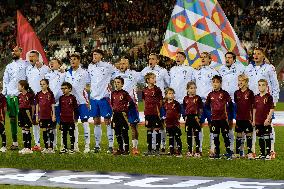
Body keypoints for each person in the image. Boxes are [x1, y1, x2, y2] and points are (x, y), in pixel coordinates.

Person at [244, 48, 279, 159]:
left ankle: (271, 150)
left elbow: (275, 85)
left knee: (268, 125)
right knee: (252, 125)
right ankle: (252, 151)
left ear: (263, 56)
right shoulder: (248, 68)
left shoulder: (269, 68)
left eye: (259, 54)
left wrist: (274, 101)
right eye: (254, 54)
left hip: (265, 102)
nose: (256, 55)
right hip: (252, 102)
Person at [88, 49, 116, 153]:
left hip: (104, 97)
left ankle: (111, 145)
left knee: (108, 121)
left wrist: (110, 83)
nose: (93, 56)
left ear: (101, 56)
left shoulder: (107, 65)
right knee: (96, 121)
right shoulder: (90, 67)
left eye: (95, 54)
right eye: (93, 54)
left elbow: (116, 74)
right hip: (94, 98)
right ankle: (97, 145)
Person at [111, 57, 141, 155]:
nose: (122, 65)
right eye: (121, 63)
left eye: (124, 63)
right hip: (119, 106)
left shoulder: (134, 74)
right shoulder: (115, 74)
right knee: (119, 128)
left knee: (133, 126)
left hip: (131, 104)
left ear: (127, 65)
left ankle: (134, 147)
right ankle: (122, 147)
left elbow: (146, 77)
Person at [141, 53, 170, 152]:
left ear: (157, 60)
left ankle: (162, 145)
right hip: (149, 106)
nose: (150, 61)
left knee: (161, 124)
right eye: (149, 59)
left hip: (159, 103)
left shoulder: (163, 71)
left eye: (153, 59)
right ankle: (152, 146)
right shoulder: (144, 71)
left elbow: (168, 84)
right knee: (151, 126)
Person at [2, 46, 29, 150]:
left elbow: (28, 78)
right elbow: (5, 81)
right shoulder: (9, 66)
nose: (13, 52)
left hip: (20, 96)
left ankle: (26, 143)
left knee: (23, 119)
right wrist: (4, 95)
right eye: (13, 51)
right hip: (10, 96)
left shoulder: (26, 64)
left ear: (21, 52)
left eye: (16, 51)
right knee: (12, 119)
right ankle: (15, 143)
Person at [193, 52, 219, 155]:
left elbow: (217, 86)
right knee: (198, 125)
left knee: (212, 125)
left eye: (205, 57)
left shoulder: (214, 72)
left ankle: (212, 148)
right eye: (201, 57)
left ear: (210, 60)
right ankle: (198, 149)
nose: (203, 59)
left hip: (210, 103)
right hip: (199, 102)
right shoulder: (196, 71)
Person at [218, 52, 245, 152]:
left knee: (240, 124)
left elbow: (246, 80)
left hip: (238, 100)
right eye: (226, 58)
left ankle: (241, 149)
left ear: (234, 59)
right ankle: (231, 148)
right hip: (226, 102)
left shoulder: (240, 68)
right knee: (228, 124)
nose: (227, 59)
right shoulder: (221, 69)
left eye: (230, 58)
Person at [65, 54, 91, 153]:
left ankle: (87, 146)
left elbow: (90, 84)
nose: (72, 61)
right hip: (71, 103)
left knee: (85, 123)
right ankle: (75, 146)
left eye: (74, 59)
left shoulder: (84, 73)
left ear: (79, 61)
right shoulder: (67, 73)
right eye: (71, 60)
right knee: (74, 124)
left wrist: (87, 96)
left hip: (83, 102)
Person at [26, 50, 50, 151]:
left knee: (45, 121)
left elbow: (51, 78)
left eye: (33, 56)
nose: (31, 58)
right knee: (35, 121)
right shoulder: (27, 69)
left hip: (43, 98)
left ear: (38, 57)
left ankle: (49, 144)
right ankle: (37, 143)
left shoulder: (45, 68)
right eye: (30, 56)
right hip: (32, 99)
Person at [205, 75, 233, 159]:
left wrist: (228, 114)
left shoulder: (224, 93)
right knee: (215, 136)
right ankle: (217, 152)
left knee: (225, 135)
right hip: (214, 119)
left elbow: (230, 104)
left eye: (217, 82)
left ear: (220, 83)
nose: (215, 84)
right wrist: (210, 115)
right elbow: (206, 106)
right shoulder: (210, 95)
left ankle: (228, 152)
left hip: (223, 119)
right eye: (213, 82)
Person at [45, 58, 66, 150]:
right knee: (52, 125)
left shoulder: (63, 74)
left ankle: (63, 145)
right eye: (50, 62)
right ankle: (53, 145)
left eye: (54, 62)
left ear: (59, 64)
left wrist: (63, 71)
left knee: (62, 124)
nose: (51, 63)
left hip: (61, 103)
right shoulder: (47, 75)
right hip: (51, 104)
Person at [252, 79, 274, 160]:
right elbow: (254, 109)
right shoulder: (256, 97)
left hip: (265, 122)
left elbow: (271, 109)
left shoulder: (269, 97)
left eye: (263, 85)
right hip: (258, 121)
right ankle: (262, 154)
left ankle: (268, 154)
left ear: (266, 86)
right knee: (260, 137)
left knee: (267, 137)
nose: (261, 86)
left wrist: (268, 119)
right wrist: (253, 120)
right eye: (259, 85)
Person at [234, 74, 255, 159]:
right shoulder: (236, 93)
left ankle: (249, 152)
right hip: (239, 118)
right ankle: (237, 153)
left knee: (249, 135)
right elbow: (236, 104)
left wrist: (253, 119)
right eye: (239, 80)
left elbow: (253, 106)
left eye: (242, 80)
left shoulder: (250, 93)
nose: (240, 82)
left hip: (247, 118)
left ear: (246, 82)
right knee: (239, 135)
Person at [142, 72, 163, 156]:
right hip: (148, 113)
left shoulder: (157, 89)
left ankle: (157, 149)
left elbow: (160, 100)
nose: (154, 79)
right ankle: (149, 149)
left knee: (157, 129)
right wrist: (146, 109)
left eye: (154, 78)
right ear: (148, 80)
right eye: (152, 78)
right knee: (149, 130)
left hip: (155, 113)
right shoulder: (144, 90)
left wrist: (158, 110)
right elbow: (144, 100)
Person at [111, 76, 133, 155]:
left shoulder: (124, 93)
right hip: (115, 115)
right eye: (115, 82)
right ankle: (120, 148)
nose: (116, 84)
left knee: (124, 132)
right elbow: (112, 104)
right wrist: (113, 116)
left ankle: (126, 149)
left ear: (122, 84)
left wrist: (125, 110)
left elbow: (131, 103)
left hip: (122, 115)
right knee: (117, 132)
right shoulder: (113, 93)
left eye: (118, 83)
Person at [35, 79, 56, 154]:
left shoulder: (50, 94)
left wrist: (53, 115)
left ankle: (51, 148)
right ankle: (46, 147)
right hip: (42, 117)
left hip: (49, 116)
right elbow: (37, 106)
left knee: (50, 131)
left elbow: (53, 105)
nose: (42, 85)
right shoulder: (38, 94)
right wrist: (37, 116)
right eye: (41, 84)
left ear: (47, 85)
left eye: (43, 84)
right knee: (44, 132)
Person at [183, 81, 203, 158]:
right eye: (191, 88)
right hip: (188, 118)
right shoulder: (185, 98)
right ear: (187, 89)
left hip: (195, 118)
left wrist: (199, 116)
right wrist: (185, 116)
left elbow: (201, 108)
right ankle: (189, 151)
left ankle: (197, 151)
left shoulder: (198, 98)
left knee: (196, 134)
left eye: (194, 88)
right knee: (189, 134)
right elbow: (184, 108)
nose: (193, 90)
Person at [59, 82, 78, 154]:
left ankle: (72, 148)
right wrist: (60, 119)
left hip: (70, 120)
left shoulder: (73, 98)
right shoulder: (61, 98)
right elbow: (61, 109)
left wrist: (75, 118)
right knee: (64, 134)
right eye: (62, 89)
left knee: (71, 134)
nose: (63, 90)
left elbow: (75, 109)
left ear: (70, 89)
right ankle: (65, 147)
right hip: (63, 119)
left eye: (65, 88)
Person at [163, 88, 182, 157]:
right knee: (170, 137)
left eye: (172, 93)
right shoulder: (164, 104)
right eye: (169, 93)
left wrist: (177, 120)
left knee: (177, 137)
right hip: (168, 124)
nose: (171, 95)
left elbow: (180, 112)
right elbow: (164, 113)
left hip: (175, 124)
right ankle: (171, 151)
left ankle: (179, 151)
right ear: (166, 95)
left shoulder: (176, 103)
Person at [17, 80, 34, 154]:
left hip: (27, 113)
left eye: (18, 85)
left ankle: (29, 148)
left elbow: (33, 106)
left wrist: (32, 116)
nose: (17, 87)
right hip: (21, 113)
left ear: (23, 87)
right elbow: (19, 105)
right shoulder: (19, 95)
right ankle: (25, 147)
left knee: (27, 129)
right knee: (23, 129)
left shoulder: (30, 95)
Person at [0, 82, 7, 153]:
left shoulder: (2, 97)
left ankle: (4, 146)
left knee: (2, 131)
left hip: (0, 117)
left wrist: (3, 117)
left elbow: (5, 108)